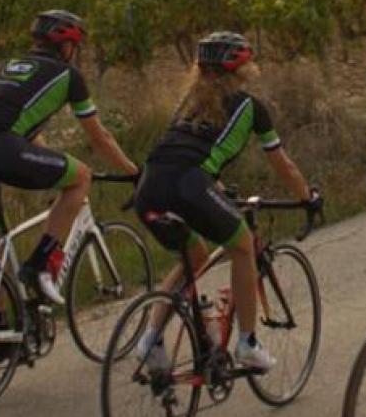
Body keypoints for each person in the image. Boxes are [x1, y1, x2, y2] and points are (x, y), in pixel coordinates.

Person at [133, 32, 318, 373]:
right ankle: (248, 343)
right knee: (244, 247)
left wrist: (215, 186)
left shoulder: (188, 103)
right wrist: (306, 197)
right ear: (241, 69)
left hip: (149, 185)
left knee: (194, 255)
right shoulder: (250, 107)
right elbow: (283, 165)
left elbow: (187, 151)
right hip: (189, 185)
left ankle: (151, 340)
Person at [0, 9, 139, 305]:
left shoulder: (13, 65)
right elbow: (100, 138)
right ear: (67, 46)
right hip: (0, 147)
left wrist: (49, 162)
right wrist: (133, 173)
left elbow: (22, 127)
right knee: (81, 177)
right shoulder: (69, 76)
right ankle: (40, 267)